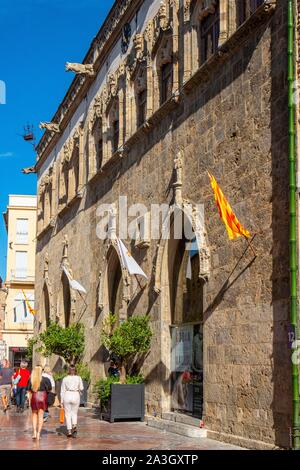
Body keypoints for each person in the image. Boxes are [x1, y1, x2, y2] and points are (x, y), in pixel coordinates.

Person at [28, 365, 52, 440]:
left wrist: (29, 402)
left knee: (34, 415)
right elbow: (50, 389)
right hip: (42, 397)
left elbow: (28, 391)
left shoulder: (31, 379)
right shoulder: (46, 379)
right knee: (41, 416)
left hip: (34, 397)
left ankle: (34, 432)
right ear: (41, 371)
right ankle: (39, 434)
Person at [60, 365, 84, 438]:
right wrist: (78, 389)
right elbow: (82, 388)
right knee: (74, 413)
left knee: (67, 414)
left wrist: (61, 401)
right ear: (75, 370)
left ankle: (69, 431)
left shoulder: (65, 378)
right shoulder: (78, 378)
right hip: (75, 394)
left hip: (67, 394)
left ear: (68, 370)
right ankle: (74, 425)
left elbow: (62, 390)